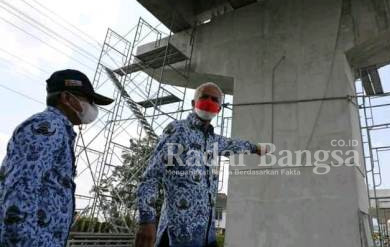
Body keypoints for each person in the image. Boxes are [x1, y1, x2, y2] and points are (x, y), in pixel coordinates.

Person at [135, 82, 267, 247]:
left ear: (219, 109)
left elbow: (233, 145)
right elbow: (151, 176)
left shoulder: (213, 140)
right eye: (204, 97)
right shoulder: (177, 131)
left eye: (214, 99)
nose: (209, 101)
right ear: (193, 103)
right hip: (179, 234)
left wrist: (256, 148)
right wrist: (147, 220)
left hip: (206, 234)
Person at [0, 69, 113, 246]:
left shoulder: (61, 131)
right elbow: (21, 189)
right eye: (88, 100)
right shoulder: (47, 128)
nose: (92, 107)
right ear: (67, 98)